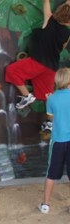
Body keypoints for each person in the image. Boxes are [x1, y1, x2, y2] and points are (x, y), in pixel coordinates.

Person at [5, 0, 70, 113]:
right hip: (51, 66)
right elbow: (62, 47)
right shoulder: (67, 33)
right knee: (47, 96)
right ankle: (50, 123)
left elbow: (46, 0)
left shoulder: (49, 20)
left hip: (38, 62)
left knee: (12, 71)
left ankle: (27, 96)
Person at [38, 67, 70, 214]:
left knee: (51, 174)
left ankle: (45, 204)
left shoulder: (51, 98)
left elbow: (50, 119)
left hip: (57, 141)